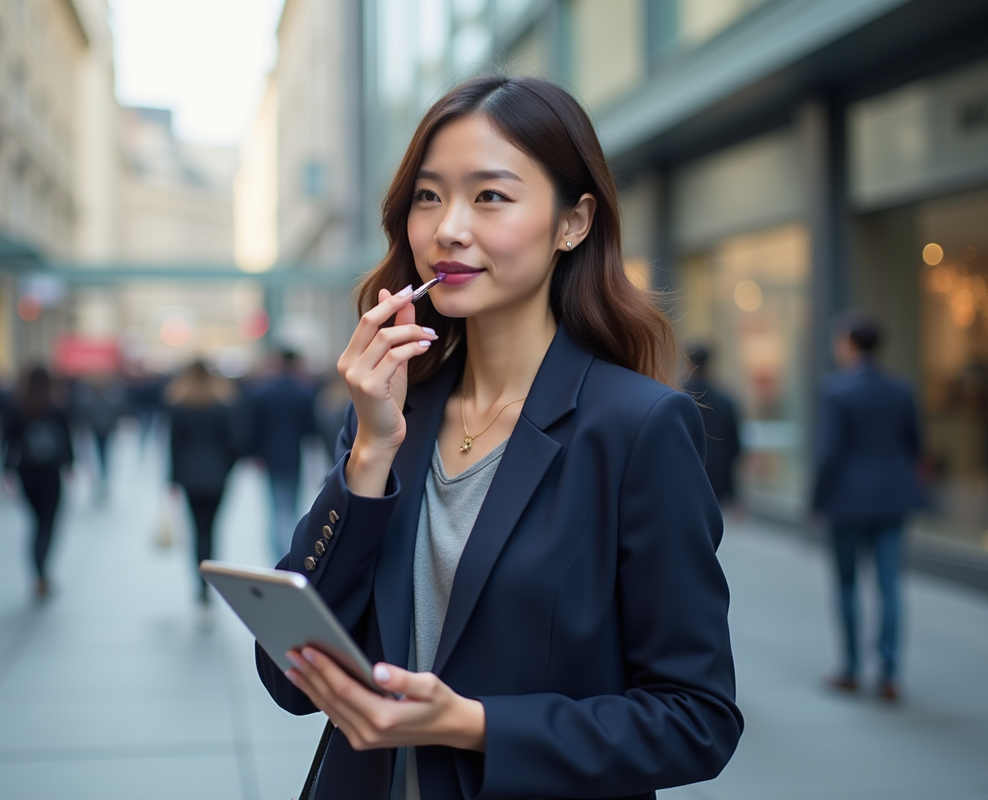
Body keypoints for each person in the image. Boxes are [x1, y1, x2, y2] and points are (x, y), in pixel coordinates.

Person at [256, 75, 741, 799]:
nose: (448, 227)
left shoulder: (636, 428)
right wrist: (368, 454)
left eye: (490, 196)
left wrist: (476, 724)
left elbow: (695, 719)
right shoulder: (393, 415)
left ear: (572, 223)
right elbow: (288, 679)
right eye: (428, 196)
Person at [812, 312, 927, 702]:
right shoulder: (901, 389)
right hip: (893, 497)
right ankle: (890, 674)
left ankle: (850, 668)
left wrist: (817, 500)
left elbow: (830, 454)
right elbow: (913, 444)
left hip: (848, 500)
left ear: (848, 343)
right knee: (889, 585)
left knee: (846, 584)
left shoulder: (835, 391)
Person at [165, 361, 238, 612]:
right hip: (217, 475)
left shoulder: (179, 406)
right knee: (212, 529)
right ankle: (210, 578)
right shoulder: (221, 405)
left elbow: (174, 446)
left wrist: (172, 479)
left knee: (197, 531)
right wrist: (227, 469)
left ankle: (201, 585)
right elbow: (233, 444)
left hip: (190, 477)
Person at [0, 366, 75, 599]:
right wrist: (71, 464)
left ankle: (38, 571)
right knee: (48, 525)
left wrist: (5, 471)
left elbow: (7, 442)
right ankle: (42, 572)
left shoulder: (18, 407)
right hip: (51, 473)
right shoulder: (56, 406)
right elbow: (66, 438)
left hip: (27, 472)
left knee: (35, 524)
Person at [249, 348, 319, 560]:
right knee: (291, 507)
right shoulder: (304, 393)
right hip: (295, 457)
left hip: (270, 458)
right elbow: (311, 431)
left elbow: (254, 428)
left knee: (276, 509)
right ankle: (290, 551)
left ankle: (280, 556)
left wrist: (255, 454)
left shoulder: (263, 393)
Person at [684, 345, 744, 508]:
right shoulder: (724, 399)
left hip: (687, 475)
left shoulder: (676, 397)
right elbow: (734, 446)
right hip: (717, 477)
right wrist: (734, 492)